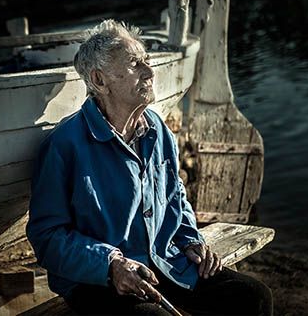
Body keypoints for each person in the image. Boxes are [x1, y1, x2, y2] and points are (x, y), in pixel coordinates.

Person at [27, 20, 273, 315]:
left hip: (165, 263)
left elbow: (174, 195)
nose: (149, 71)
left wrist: (190, 239)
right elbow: (47, 236)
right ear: (100, 80)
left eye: (147, 61)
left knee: (254, 297)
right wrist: (111, 263)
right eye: (135, 64)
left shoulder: (156, 128)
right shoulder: (64, 145)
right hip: (99, 281)